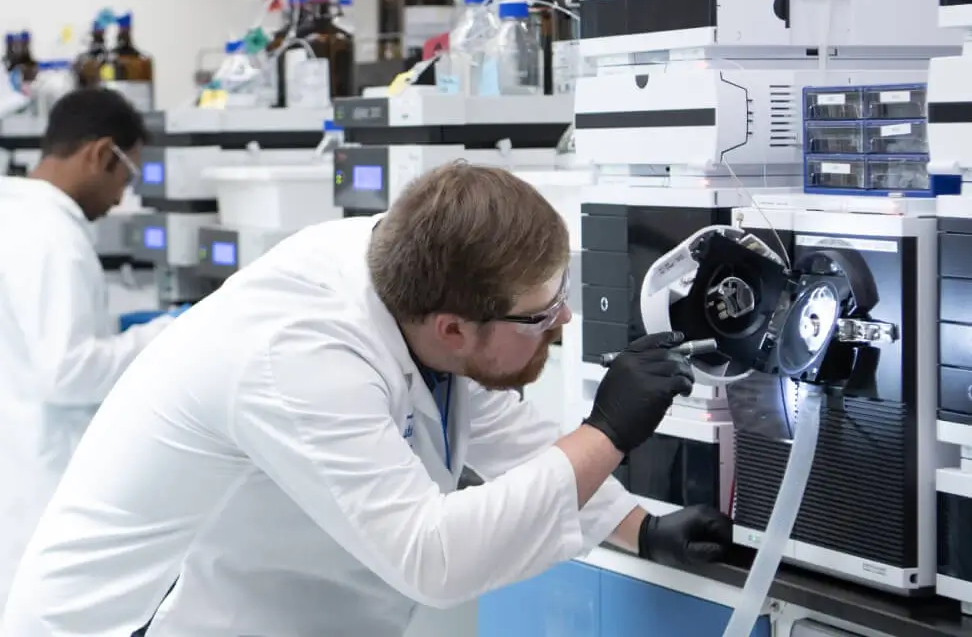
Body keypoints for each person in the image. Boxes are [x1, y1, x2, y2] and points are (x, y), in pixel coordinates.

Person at [3, 162, 732, 637]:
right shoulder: (298, 356)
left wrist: (640, 527)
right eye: (542, 314)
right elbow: (431, 557)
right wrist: (606, 431)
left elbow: (494, 429)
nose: (563, 322)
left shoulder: (409, 275)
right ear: (453, 326)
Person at [0, 88, 177, 611]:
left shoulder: (12, 213)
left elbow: (27, 332)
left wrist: (115, 325)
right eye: (126, 177)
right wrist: (162, 333)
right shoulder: (55, 235)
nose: (121, 198)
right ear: (101, 154)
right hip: (38, 471)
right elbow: (67, 372)